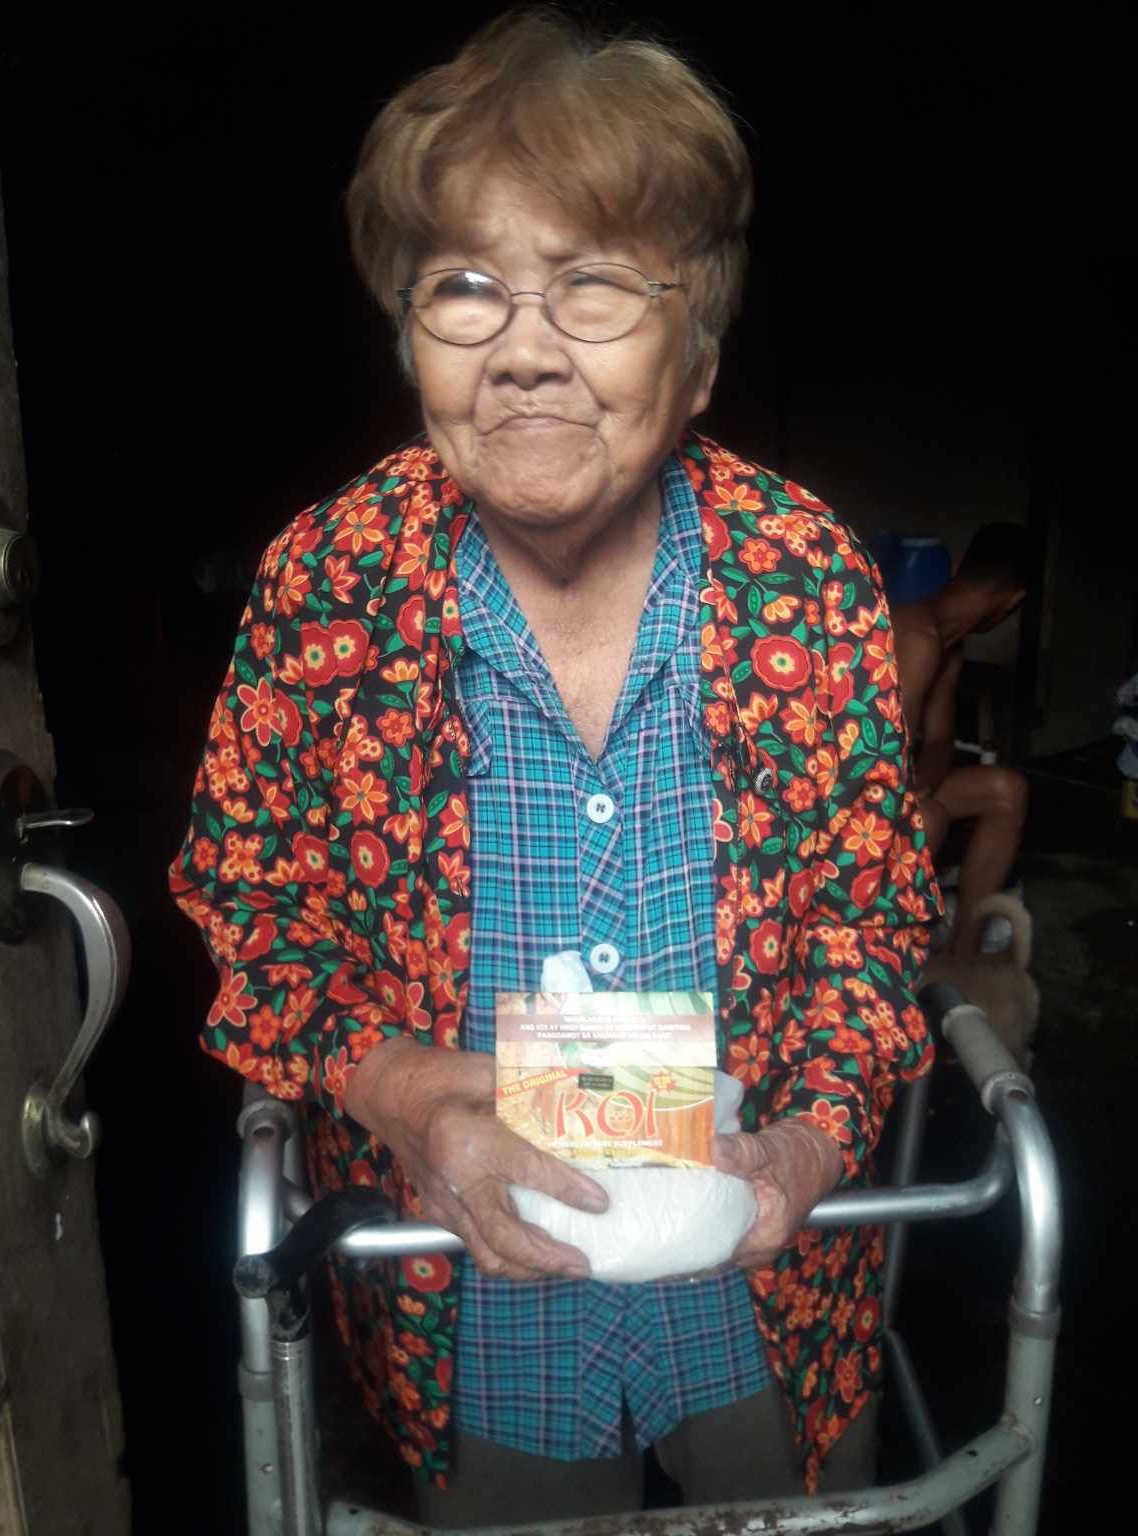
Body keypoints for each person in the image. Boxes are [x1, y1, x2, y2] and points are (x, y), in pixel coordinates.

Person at [170, 9, 938, 1523]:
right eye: (468, 289)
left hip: (758, 1290)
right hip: (473, 1294)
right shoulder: (330, 586)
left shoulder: (808, 579)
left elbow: (877, 921)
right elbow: (250, 907)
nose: (526, 349)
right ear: (412, 335)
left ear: (697, 352)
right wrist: (397, 1096)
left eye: (596, 289)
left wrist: (806, 1145)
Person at [891, 524, 1028, 950]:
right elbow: (879, 761)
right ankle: (884, 961)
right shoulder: (916, 638)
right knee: (928, 819)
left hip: (897, 782)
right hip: (841, 795)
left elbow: (939, 739)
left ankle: (964, 949)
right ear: (1011, 603)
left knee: (1008, 790)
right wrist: (917, 794)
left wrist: (924, 782)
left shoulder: (948, 648)